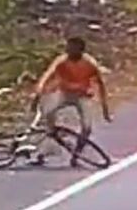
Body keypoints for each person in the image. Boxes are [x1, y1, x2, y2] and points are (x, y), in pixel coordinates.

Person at [31, 36, 112, 165]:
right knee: (48, 112)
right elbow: (46, 76)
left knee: (87, 127)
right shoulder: (61, 60)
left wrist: (105, 109)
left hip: (82, 96)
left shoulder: (90, 63)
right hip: (64, 93)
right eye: (68, 49)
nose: (69, 52)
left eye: (72, 50)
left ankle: (77, 153)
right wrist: (37, 94)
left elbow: (101, 85)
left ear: (81, 51)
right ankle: (52, 135)